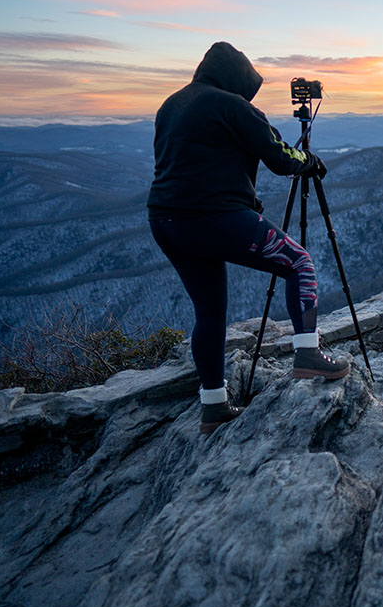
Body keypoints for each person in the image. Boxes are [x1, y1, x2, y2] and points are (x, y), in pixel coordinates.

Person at [147, 42, 350, 435]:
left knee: (209, 312)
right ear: (238, 78)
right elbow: (280, 158)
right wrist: (309, 161)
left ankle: (214, 407)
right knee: (298, 263)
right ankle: (308, 353)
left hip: (166, 221)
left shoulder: (170, 105)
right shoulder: (234, 106)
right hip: (214, 217)